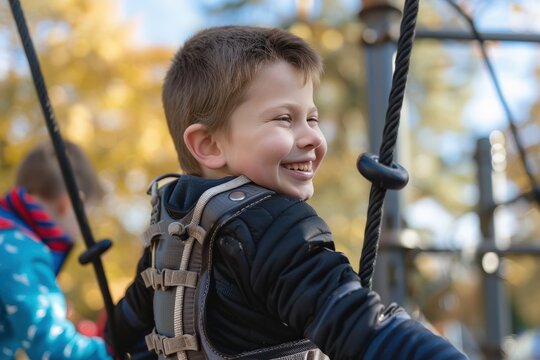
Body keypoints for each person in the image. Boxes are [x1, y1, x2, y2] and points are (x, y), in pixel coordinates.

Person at [110, 26, 468, 359]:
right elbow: (359, 325)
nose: (313, 135)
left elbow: (126, 325)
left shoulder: (170, 222)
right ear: (209, 144)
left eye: (312, 118)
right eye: (284, 118)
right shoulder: (277, 226)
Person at [0, 141, 112, 359]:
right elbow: (53, 347)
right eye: (87, 215)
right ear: (71, 204)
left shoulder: (7, 238)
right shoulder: (23, 254)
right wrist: (117, 353)